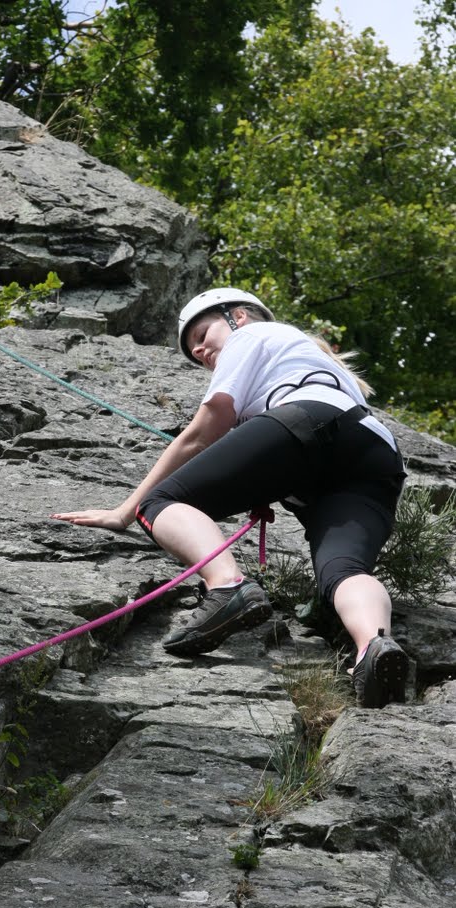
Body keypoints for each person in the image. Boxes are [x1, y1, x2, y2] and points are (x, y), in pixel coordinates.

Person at [51, 288, 409, 709]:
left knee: (161, 503)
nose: (199, 350)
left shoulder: (251, 336)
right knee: (342, 570)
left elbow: (207, 427)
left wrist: (126, 512)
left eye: (203, 334)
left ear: (238, 315)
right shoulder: (312, 362)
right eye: (192, 348)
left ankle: (227, 587)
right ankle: (374, 648)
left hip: (304, 422)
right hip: (375, 456)